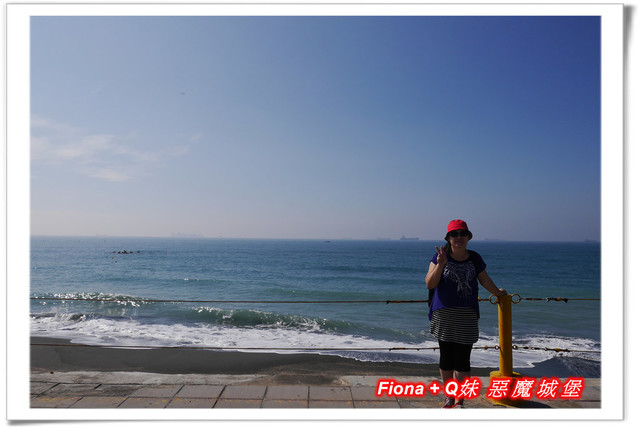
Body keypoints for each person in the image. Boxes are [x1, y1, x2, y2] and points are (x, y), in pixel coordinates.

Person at [425, 219, 507, 408]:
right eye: (454, 234)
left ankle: (459, 400)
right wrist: (441, 264)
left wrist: (498, 293)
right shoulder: (439, 256)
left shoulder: (474, 258)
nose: (459, 237)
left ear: (468, 237)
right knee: (446, 358)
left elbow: (484, 280)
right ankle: (449, 397)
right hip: (444, 314)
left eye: (462, 233)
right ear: (448, 238)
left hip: (467, 314)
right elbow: (430, 284)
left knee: (463, 359)